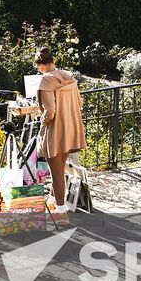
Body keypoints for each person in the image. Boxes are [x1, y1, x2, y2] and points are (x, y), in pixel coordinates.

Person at [33, 48, 86, 208]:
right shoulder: (67, 76)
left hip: (55, 131)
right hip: (70, 128)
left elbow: (49, 112)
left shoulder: (46, 80)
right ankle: (53, 202)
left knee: (56, 173)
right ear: (53, 61)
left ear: (39, 65)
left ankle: (61, 211)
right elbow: (79, 103)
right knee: (60, 169)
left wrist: (40, 119)